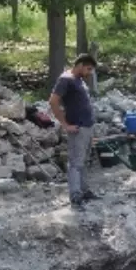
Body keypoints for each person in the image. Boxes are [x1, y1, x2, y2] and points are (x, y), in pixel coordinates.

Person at [48, 53, 99, 209]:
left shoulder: (79, 80)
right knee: (76, 163)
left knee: (84, 161)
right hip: (77, 127)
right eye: (88, 69)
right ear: (80, 65)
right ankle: (75, 196)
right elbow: (53, 101)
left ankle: (84, 191)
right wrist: (65, 124)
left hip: (87, 126)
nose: (90, 72)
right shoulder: (66, 79)